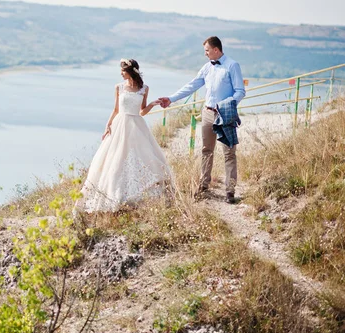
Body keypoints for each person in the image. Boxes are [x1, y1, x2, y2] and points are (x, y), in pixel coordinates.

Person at [76, 58, 173, 213]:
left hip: (136, 125)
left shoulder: (144, 88)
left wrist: (151, 104)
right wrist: (108, 125)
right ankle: (115, 192)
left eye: (123, 71)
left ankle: (137, 191)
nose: (121, 73)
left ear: (131, 71)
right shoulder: (118, 87)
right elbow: (116, 109)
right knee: (115, 157)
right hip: (120, 124)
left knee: (139, 155)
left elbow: (142, 111)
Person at [158, 36, 246, 204]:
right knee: (206, 150)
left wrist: (228, 105)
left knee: (229, 153)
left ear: (216, 50)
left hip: (225, 114)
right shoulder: (207, 68)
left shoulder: (232, 65)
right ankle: (204, 185)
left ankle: (230, 191)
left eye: (207, 50)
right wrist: (171, 98)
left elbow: (240, 91)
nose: (205, 54)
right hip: (207, 113)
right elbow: (192, 85)